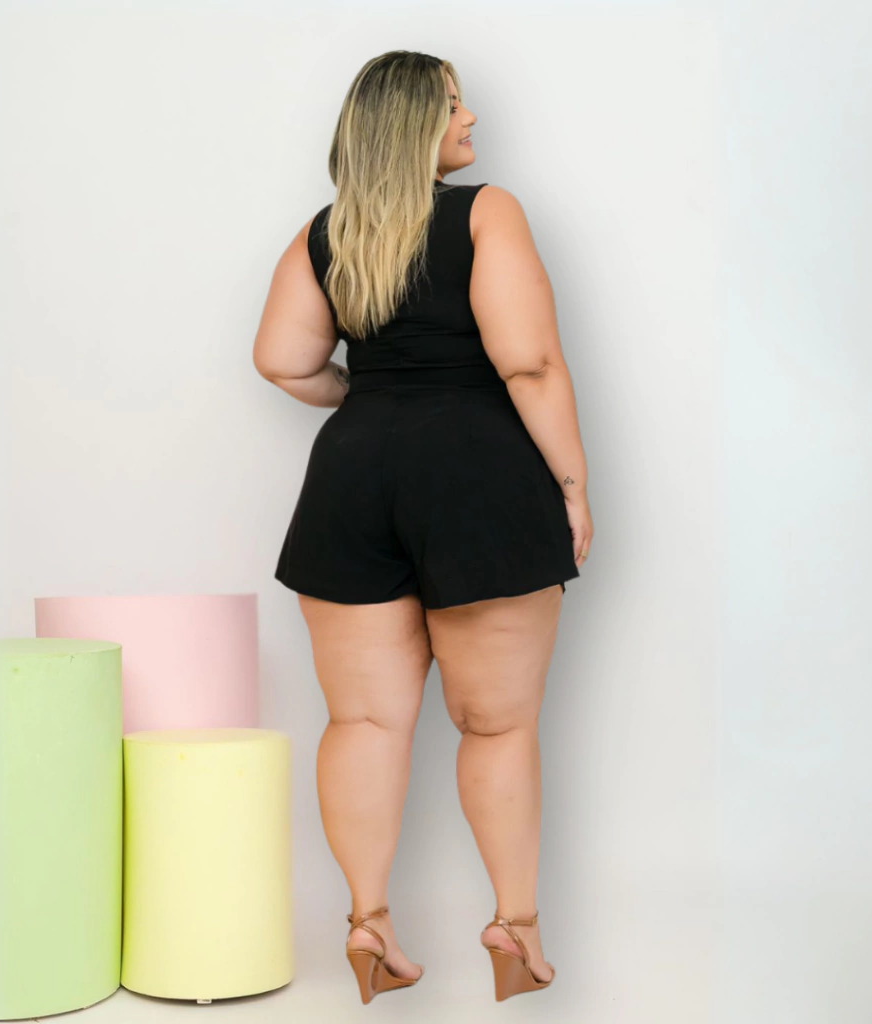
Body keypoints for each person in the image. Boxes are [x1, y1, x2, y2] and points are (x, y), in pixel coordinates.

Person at [252, 50, 593, 1004]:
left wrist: (369, 399)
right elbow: (528, 363)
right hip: (479, 475)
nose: (470, 116)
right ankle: (513, 928)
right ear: (412, 124)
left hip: (351, 479)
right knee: (497, 724)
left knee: (363, 720)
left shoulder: (326, 233)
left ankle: (368, 923)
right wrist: (572, 485)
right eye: (452, 103)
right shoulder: (486, 213)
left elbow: (282, 360)